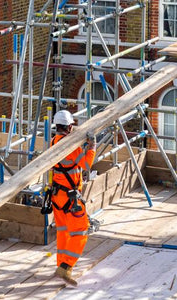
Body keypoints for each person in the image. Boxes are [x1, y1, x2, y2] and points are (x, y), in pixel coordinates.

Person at [50, 110, 96, 286]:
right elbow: (85, 164)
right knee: (81, 232)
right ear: (69, 127)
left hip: (57, 197)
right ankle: (66, 266)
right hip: (70, 199)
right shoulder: (70, 147)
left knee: (63, 232)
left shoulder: (54, 141)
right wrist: (92, 147)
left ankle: (60, 265)